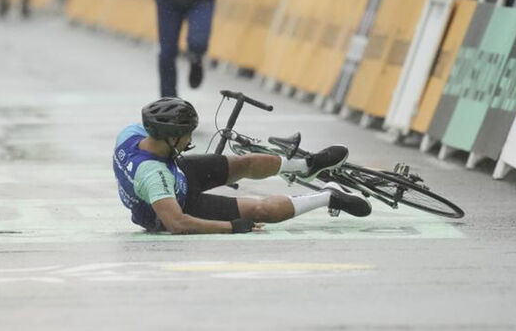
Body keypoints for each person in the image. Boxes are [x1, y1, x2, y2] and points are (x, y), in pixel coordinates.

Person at [113, 98, 372, 234]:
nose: (191, 138)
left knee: (243, 163)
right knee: (259, 210)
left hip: (176, 173)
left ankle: (305, 165)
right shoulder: (152, 175)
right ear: (171, 137)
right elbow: (177, 224)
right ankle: (329, 196)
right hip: (179, 206)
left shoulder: (133, 134)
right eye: (188, 134)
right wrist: (231, 227)